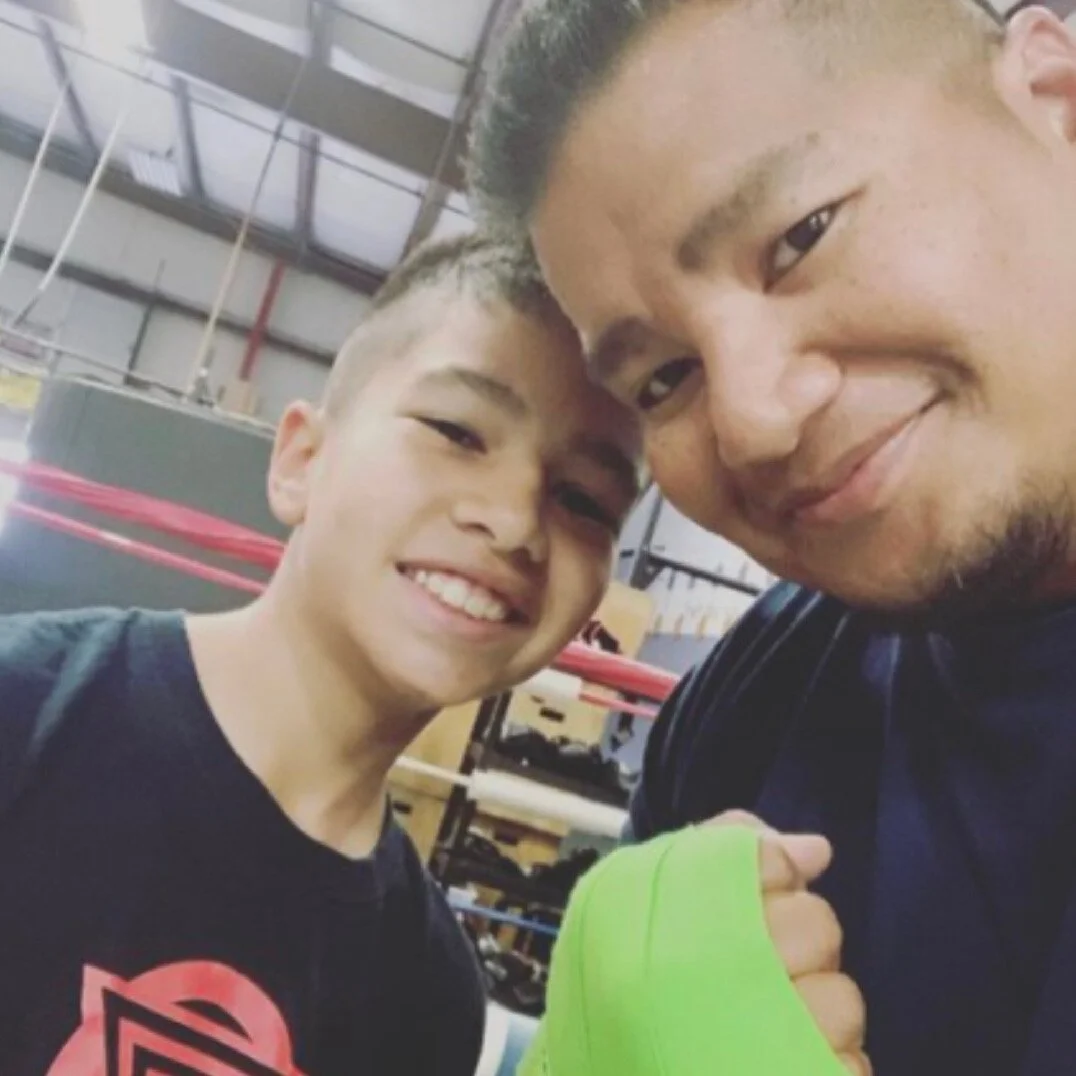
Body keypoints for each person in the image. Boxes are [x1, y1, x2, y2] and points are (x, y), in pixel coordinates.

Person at [468, 0, 1076, 1072]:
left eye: (800, 235)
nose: (751, 419)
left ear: (1056, 105)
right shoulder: (744, 725)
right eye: (663, 377)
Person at [0, 233, 646, 1075]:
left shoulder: (429, 996)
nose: (518, 521)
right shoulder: (25, 714)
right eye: (457, 431)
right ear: (302, 459)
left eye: (584, 500)